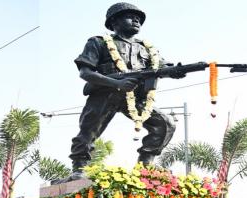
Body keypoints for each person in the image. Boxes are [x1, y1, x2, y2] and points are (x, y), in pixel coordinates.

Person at [68, 2, 176, 178]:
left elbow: (163, 68)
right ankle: (79, 167)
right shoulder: (99, 42)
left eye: (139, 18)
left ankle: (145, 165)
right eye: (130, 16)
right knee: (89, 130)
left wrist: (177, 71)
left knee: (165, 123)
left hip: (133, 97)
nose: (136, 20)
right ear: (114, 22)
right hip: (105, 93)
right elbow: (85, 72)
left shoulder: (147, 49)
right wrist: (116, 83)